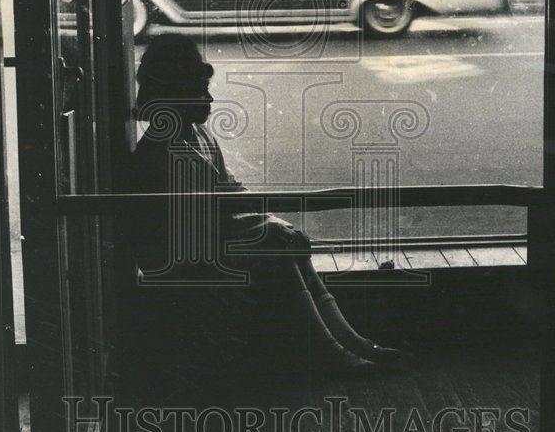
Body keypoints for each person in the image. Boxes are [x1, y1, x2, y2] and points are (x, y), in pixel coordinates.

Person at [124, 33, 401, 375]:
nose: (210, 98)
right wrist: (268, 227)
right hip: (181, 261)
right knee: (277, 246)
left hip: (203, 244)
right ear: (176, 94)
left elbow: (227, 193)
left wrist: (272, 223)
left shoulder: (196, 136)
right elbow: (201, 224)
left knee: (282, 241)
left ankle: (349, 343)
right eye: (199, 90)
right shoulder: (159, 157)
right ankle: (333, 350)